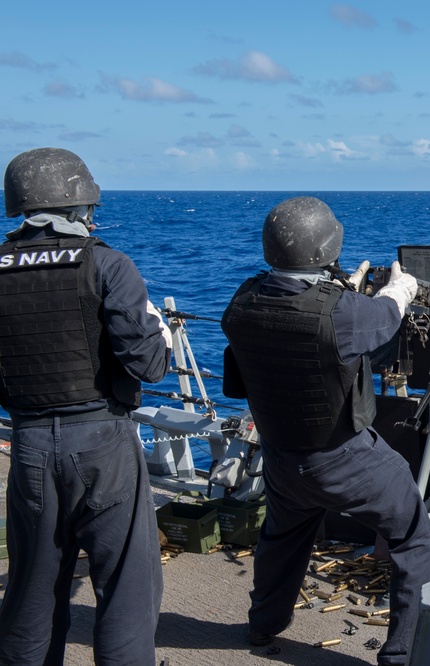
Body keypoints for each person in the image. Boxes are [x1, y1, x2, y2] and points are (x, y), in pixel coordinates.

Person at [220, 196, 430, 666]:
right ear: (328, 245)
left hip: (279, 456)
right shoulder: (345, 313)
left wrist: (345, 290)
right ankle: (401, 654)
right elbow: (385, 317)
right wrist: (400, 288)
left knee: (283, 536)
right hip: (343, 458)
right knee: (412, 535)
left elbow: (267, 352)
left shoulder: (242, 300)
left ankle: (263, 626)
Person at [0, 147, 172, 664]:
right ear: (79, 205)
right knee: (125, 587)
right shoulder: (107, 264)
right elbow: (147, 365)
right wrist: (159, 336)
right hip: (104, 443)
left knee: (31, 591)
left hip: (28, 445)